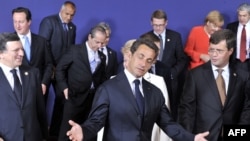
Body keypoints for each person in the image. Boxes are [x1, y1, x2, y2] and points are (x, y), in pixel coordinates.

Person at [66, 39, 209, 141]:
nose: (143, 64)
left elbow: (168, 124)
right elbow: (95, 122)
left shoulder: (155, 92)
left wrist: (192, 138)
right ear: (130, 56)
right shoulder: (108, 88)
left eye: (149, 60)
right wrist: (83, 131)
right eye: (141, 57)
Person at [178, 29, 250, 141]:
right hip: (204, 137)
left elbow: (247, 109)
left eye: (219, 51)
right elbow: (186, 110)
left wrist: (239, 135)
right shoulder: (195, 75)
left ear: (230, 51)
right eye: (211, 50)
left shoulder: (243, 76)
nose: (214, 55)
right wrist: (190, 138)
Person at [56, 25, 107, 141]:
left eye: (102, 43)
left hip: (92, 100)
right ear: (89, 37)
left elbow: (102, 77)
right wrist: (64, 87)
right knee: (67, 131)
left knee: (87, 131)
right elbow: (60, 69)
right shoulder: (75, 50)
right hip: (74, 97)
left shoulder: (102, 57)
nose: (99, 46)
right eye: (97, 42)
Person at [120, 38, 172, 141]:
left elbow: (165, 120)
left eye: (129, 60)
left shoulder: (158, 82)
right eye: (124, 60)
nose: (126, 64)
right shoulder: (112, 84)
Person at [0, 32, 48, 141]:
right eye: (16, 50)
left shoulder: (33, 73)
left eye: (21, 49)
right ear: (1, 54)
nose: (22, 53)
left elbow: (40, 110)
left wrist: (45, 137)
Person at [38, 1, 77, 136]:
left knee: (62, 99)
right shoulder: (49, 22)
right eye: (67, 14)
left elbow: (70, 50)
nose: (69, 18)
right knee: (41, 100)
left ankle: (54, 133)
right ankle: (40, 133)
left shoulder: (73, 27)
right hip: (48, 68)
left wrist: (62, 68)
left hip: (61, 70)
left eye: (72, 15)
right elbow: (43, 46)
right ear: (61, 10)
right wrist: (51, 66)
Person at [141, 9, 188, 121]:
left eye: (161, 25)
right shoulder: (144, 37)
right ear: (151, 22)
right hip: (150, 79)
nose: (158, 28)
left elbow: (182, 59)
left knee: (170, 109)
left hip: (170, 80)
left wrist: (172, 73)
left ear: (166, 23)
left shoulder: (175, 37)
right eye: (155, 25)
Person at [12, 7, 54, 100]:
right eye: (15, 21)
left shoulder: (41, 41)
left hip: (39, 91)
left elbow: (49, 64)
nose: (17, 26)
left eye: (21, 22)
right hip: (18, 92)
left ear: (29, 22)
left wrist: (44, 82)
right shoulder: (8, 42)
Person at [226, 3, 250, 71]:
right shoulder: (230, 27)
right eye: (239, 15)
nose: (241, 18)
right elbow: (227, 44)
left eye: (244, 16)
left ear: (249, 15)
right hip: (235, 62)